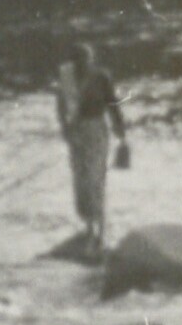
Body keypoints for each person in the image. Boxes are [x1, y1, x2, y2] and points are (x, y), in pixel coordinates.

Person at [55, 40, 129, 253]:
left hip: (96, 130)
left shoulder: (101, 77)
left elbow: (113, 103)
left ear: (91, 60)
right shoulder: (66, 78)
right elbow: (61, 105)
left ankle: (100, 229)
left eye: (85, 59)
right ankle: (89, 226)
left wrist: (120, 130)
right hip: (76, 131)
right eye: (78, 60)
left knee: (95, 178)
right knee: (80, 179)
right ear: (73, 62)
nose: (82, 63)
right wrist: (64, 128)